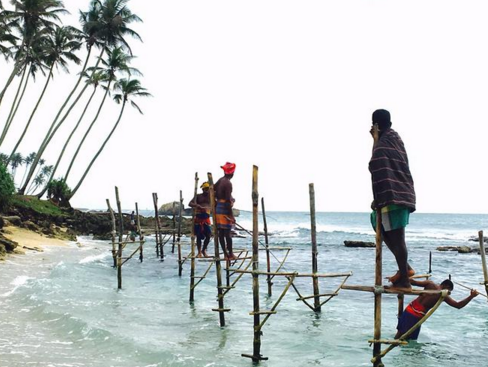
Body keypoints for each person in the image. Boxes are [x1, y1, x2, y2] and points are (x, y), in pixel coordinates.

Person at [369, 109, 416, 290]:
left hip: (393, 197)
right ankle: (406, 270)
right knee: (378, 225)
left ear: (376, 125)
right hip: (400, 195)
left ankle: (405, 279)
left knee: (398, 238)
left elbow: (375, 165)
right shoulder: (394, 139)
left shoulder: (382, 145)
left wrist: (374, 140)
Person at [395, 278, 479, 340]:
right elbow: (458, 305)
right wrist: (471, 296)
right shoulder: (443, 295)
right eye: (449, 290)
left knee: (399, 335)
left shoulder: (429, 283)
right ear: (446, 286)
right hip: (416, 315)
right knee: (408, 340)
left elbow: (413, 282)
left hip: (409, 309)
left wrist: (400, 277)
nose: (449, 293)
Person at [214, 162, 236, 260]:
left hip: (218, 207)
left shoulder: (220, 180)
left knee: (221, 234)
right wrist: (231, 216)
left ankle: (225, 254)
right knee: (227, 234)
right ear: (232, 173)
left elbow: (214, 190)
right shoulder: (228, 183)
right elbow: (227, 201)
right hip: (224, 208)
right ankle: (230, 254)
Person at [188, 182, 212, 258]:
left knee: (208, 235)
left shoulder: (211, 197)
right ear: (203, 189)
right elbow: (190, 203)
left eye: (208, 189)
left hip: (206, 218)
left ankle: (203, 250)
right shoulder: (198, 196)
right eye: (205, 189)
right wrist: (197, 205)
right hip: (198, 218)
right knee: (198, 236)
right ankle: (199, 252)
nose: (206, 191)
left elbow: (216, 204)